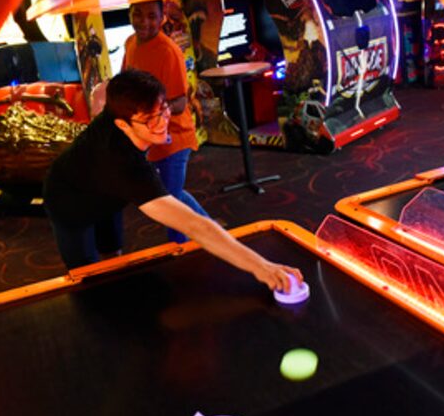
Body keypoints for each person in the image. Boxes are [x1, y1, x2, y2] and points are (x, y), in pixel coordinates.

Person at [43, 70, 302, 292]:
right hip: (69, 202)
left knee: (114, 258)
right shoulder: (125, 167)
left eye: (163, 109)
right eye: (150, 119)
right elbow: (193, 224)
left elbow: (104, 93)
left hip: (106, 192)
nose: (162, 121)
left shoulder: (122, 113)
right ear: (122, 125)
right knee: (89, 278)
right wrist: (262, 267)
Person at [123, 0, 208, 243]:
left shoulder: (168, 51)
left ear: (162, 18)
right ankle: (212, 231)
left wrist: (152, 116)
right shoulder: (130, 44)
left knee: (169, 205)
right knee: (173, 196)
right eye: (137, 14)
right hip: (150, 138)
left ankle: (179, 252)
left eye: (152, 16)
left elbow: (180, 102)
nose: (144, 22)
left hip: (174, 138)